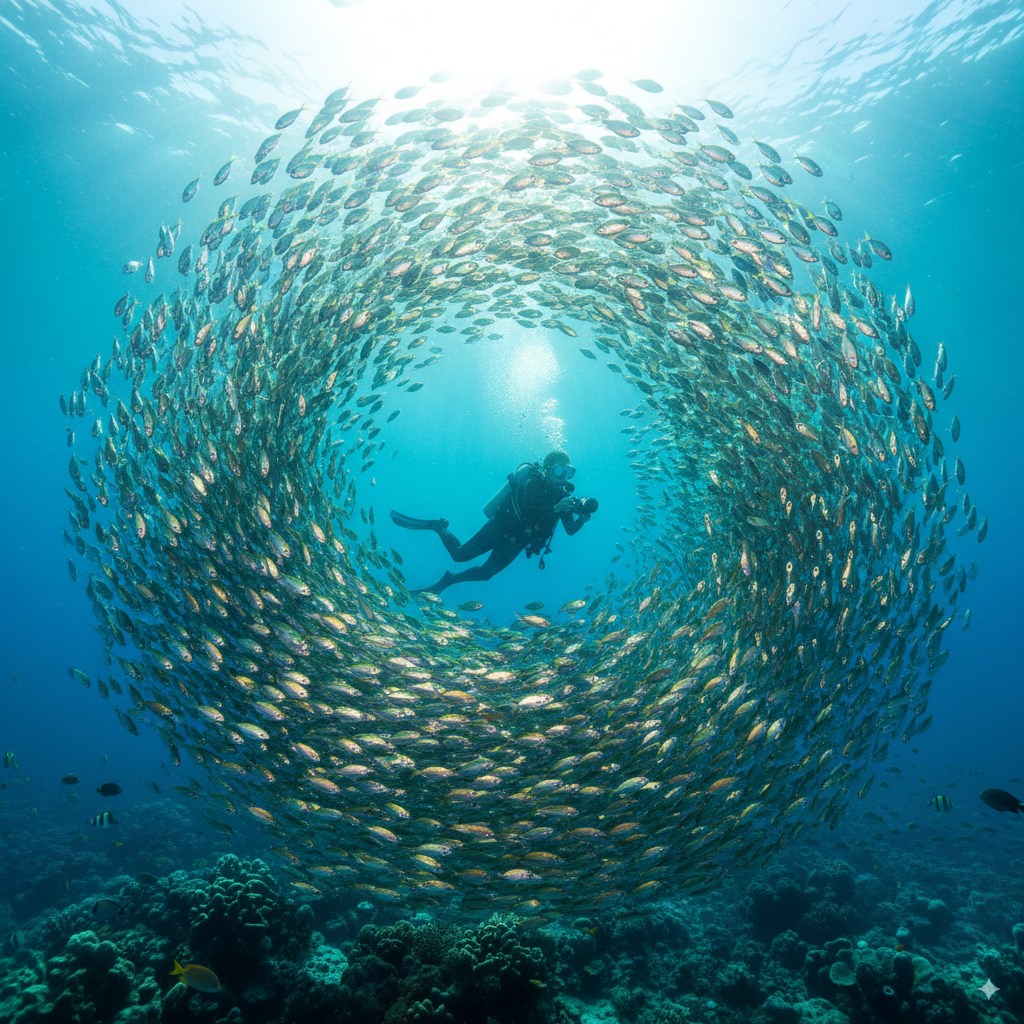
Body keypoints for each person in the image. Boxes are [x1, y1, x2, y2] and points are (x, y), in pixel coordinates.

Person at [391, 451, 598, 595]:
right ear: (547, 468)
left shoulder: (563, 498)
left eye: (568, 472)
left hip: (517, 542)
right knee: (460, 555)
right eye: (559, 470)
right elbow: (526, 508)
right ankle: (440, 527)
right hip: (501, 527)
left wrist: (581, 519)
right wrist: (555, 508)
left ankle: (448, 579)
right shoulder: (533, 482)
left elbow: (569, 530)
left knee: (486, 574)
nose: (563, 477)